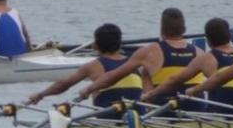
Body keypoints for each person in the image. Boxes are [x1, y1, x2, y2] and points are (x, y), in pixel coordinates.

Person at [72, 7, 202, 106]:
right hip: (199, 110)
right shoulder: (200, 52)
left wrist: (88, 89)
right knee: (144, 72)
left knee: (144, 71)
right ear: (184, 29)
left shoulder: (149, 51)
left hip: (166, 112)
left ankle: (147, 110)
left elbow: (113, 76)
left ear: (161, 30)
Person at [142, 17, 233, 112]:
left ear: (207, 39)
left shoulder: (207, 58)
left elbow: (175, 80)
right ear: (230, 35)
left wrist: (150, 94)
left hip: (225, 109)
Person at [26, 23, 149, 107]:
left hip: (108, 117)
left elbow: (63, 84)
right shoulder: (133, 63)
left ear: (96, 45)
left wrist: (40, 95)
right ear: (120, 43)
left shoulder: (92, 66)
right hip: (138, 114)